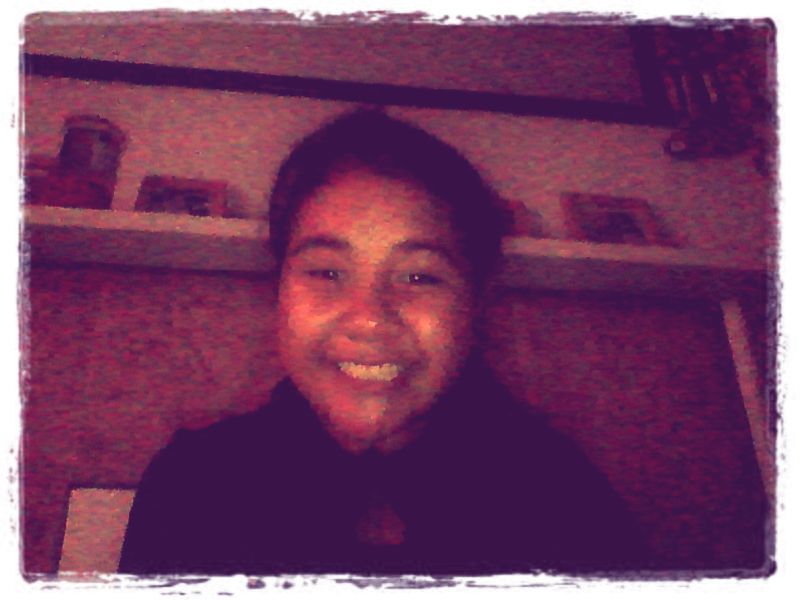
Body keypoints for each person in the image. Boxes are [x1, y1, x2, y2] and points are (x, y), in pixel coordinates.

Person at [118, 110, 647, 576]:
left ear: (476, 303)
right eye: (326, 272)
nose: (369, 318)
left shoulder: (567, 501)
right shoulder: (192, 488)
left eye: (419, 277)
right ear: (278, 291)